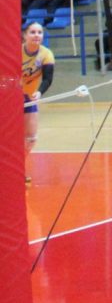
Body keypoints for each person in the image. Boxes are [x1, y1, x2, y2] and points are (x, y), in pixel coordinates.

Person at [21, 21, 54, 184]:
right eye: (32, 32)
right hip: (10, 96)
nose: (36, 35)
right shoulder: (15, 51)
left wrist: (39, 92)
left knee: (31, 138)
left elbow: (47, 78)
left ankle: (17, 168)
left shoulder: (46, 54)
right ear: (24, 35)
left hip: (29, 97)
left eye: (39, 32)